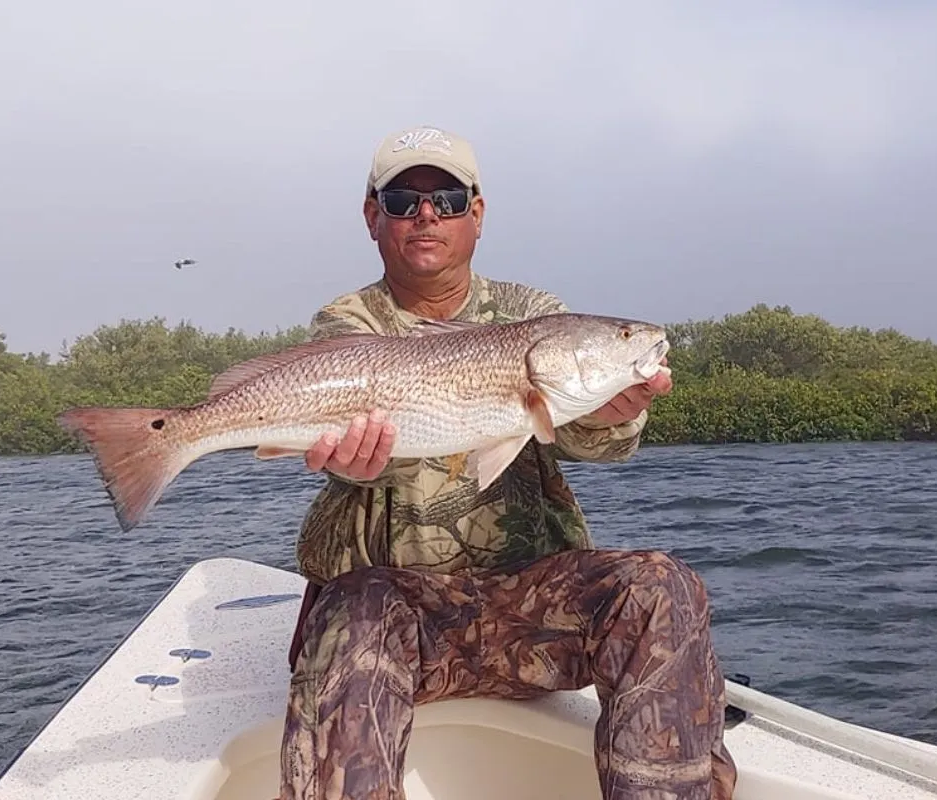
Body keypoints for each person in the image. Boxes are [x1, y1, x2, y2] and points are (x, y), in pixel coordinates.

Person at [278, 125, 737, 800]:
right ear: (373, 216)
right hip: (397, 613)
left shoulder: (534, 316)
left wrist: (614, 414)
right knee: (353, 613)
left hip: (534, 614)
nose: (427, 214)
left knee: (661, 588)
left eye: (449, 198)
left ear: (479, 212)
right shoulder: (349, 326)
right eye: (404, 199)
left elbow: (587, 438)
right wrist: (351, 463)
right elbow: (346, 457)